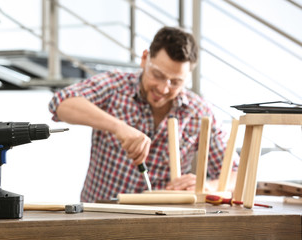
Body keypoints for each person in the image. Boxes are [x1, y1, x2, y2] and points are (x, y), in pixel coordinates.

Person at [49, 26, 239, 203]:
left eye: (175, 82)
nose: (164, 88)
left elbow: (237, 173)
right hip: (99, 217)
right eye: (158, 75)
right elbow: (61, 102)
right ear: (144, 58)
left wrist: (206, 186)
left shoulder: (198, 112)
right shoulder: (115, 85)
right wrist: (118, 127)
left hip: (159, 225)